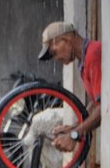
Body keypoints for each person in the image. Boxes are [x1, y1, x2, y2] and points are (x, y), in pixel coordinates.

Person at [37, 21, 102, 152]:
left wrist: (74, 135)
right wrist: (73, 127)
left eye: (54, 52)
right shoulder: (84, 63)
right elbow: (96, 104)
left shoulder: (93, 54)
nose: (55, 59)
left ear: (65, 40)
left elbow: (105, 107)